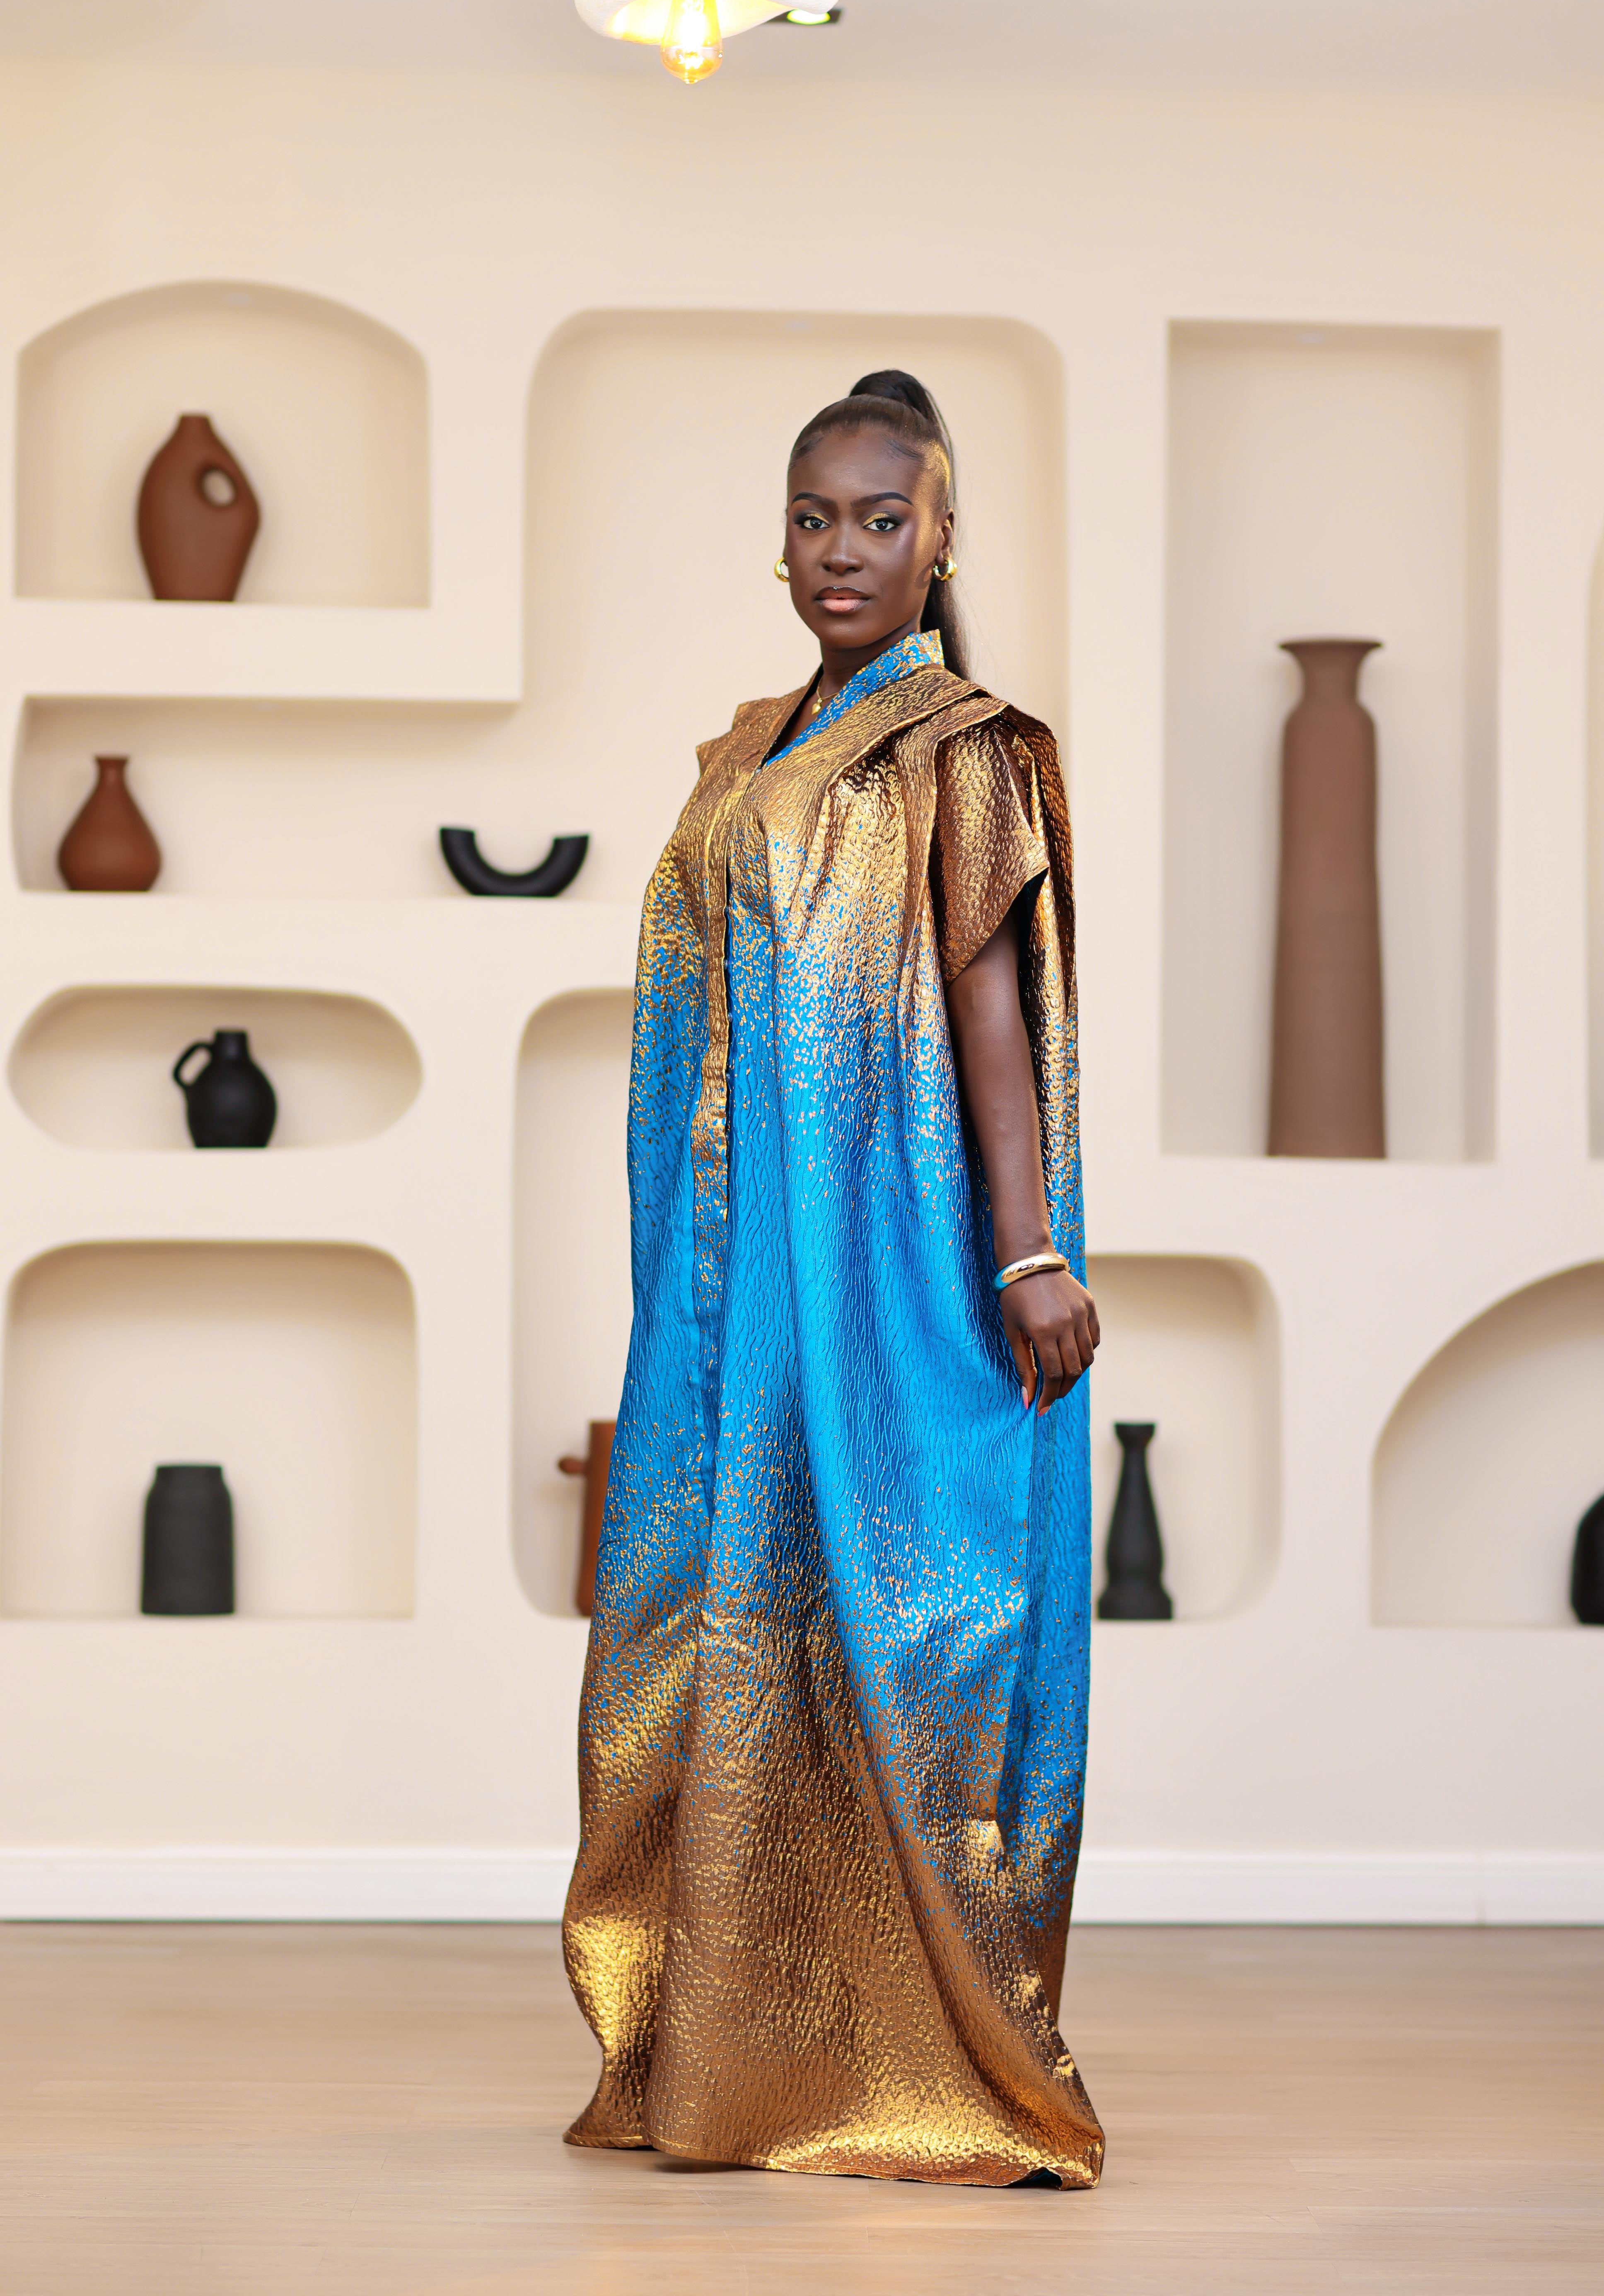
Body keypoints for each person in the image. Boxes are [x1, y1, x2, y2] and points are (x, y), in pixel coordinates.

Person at [562, 370, 1104, 2189]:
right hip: (729, 1281)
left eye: (880, 519)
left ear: (941, 536)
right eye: (813, 519)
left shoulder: (957, 745)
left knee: (896, 1613)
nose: (840, 552)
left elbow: (985, 1013)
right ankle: (727, 2050)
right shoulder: (750, 749)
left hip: (872, 1263)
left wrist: (1024, 1250)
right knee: (713, 1624)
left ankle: (929, 2056)